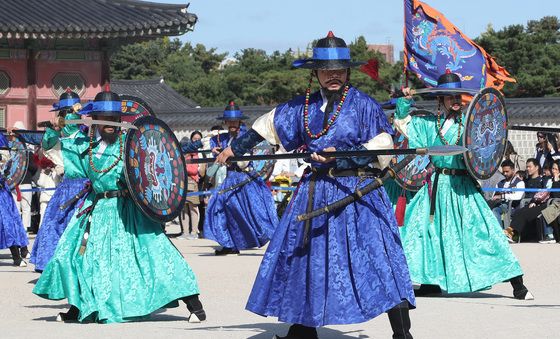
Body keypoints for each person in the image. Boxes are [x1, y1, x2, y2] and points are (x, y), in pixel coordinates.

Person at [216, 31, 415, 339]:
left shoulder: (364, 105)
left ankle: (402, 333)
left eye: (338, 70)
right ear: (316, 73)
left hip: (358, 193)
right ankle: (302, 330)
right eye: (325, 70)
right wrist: (234, 148)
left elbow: (382, 147)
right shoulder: (300, 108)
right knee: (305, 260)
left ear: (347, 71)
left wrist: (344, 157)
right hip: (315, 191)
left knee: (380, 260)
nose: (332, 75)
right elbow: (264, 126)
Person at [33, 89, 205, 323]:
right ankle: (78, 307)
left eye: (114, 119)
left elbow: (156, 164)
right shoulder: (86, 145)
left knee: (156, 253)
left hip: (128, 209)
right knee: (72, 255)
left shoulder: (132, 142)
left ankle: (194, 304)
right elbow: (64, 142)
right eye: (104, 119)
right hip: (96, 207)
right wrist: (64, 120)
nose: (110, 124)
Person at [395, 71, 533, 300]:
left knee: (485, 231)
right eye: (449, 97)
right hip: (436, 186)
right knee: (430, 234)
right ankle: (431, 282)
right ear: (440, 99)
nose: (455, 100)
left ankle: (517, 283)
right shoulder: (428, 123)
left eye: (457, 96)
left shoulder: (471, 124)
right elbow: (405, 126)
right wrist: (404, 102)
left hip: (463, 187)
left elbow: (486, 148)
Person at [203, 102, 278, 255]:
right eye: (229, 121)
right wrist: (215, 151)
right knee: (221, 207)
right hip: (230, 177)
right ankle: (228, 243)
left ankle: (276, 239)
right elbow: (216, 154)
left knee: (256, 212)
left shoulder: (248, 136)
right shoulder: (221, 139)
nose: (232, 124)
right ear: (225, 122)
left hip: (246, 178)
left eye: (235, 121)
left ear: (240, 121)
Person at [30, 91, 90, 272]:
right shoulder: (57, 136)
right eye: (65, 113)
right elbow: (48, 144)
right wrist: (54, 128)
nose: (69, 117)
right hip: (67, 187)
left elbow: (72, 129)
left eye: (70, 113)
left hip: (87, 187)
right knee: (55, 224)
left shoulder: (87, 133)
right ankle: (53, 264)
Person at [0, 133, 29, 267]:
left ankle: (20, 253)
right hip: (3, 193)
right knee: (9, 221)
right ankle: (19, 254)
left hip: (3, 194)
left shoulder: (5, 152)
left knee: (11, 221)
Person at [505, 158, 551, 242]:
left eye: (530, 166)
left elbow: (543, 194)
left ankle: (512, 235)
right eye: (526, 167)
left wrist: (534, 201)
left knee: (523, 213)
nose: (527, 169)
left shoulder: (542, 180)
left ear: (537, 167)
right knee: (518, 212)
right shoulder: (525, 180)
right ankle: (511, 235)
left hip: (538, 204)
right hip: (527, 204)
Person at [182, 131, 206, 239]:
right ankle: (185, 232)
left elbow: (198, 171)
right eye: (194, 139)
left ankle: (194, 232)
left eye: (198, 139)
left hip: (194, 183)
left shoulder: (198, 154)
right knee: (183, 209)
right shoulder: (184, 153)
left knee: (193, 208)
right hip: (183, 183)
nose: (196, 141)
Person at [488, 159, 525, 227]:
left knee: (495, 211)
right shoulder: (500, 183)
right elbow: (494, 196)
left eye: (507, 171)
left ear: (513, 170)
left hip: (512, 207)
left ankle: (501, 234)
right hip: (500, 205)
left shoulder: (519, 182)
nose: (505, 174)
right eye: (503, 171)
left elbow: (518, 196)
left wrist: (502, 196)